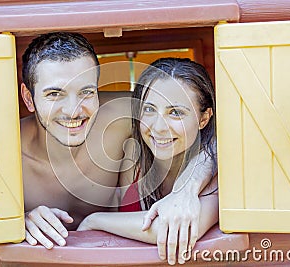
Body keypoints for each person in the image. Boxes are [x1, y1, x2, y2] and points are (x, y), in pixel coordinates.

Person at [20, 32, 216, 264]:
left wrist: (188, 189)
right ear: (29, 98)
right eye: (54, 94)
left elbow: (216, 135)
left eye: (86, 92)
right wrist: (17, 220)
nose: (73, 110)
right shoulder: (5, 150)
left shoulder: (127, 114)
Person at [77, 58, 218, 265]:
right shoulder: (134, 158)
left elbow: (169, 228)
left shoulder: (215, 172)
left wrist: (94, 220)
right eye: (150, 109)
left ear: (203, 119)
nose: (159, 127)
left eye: (176, 113)